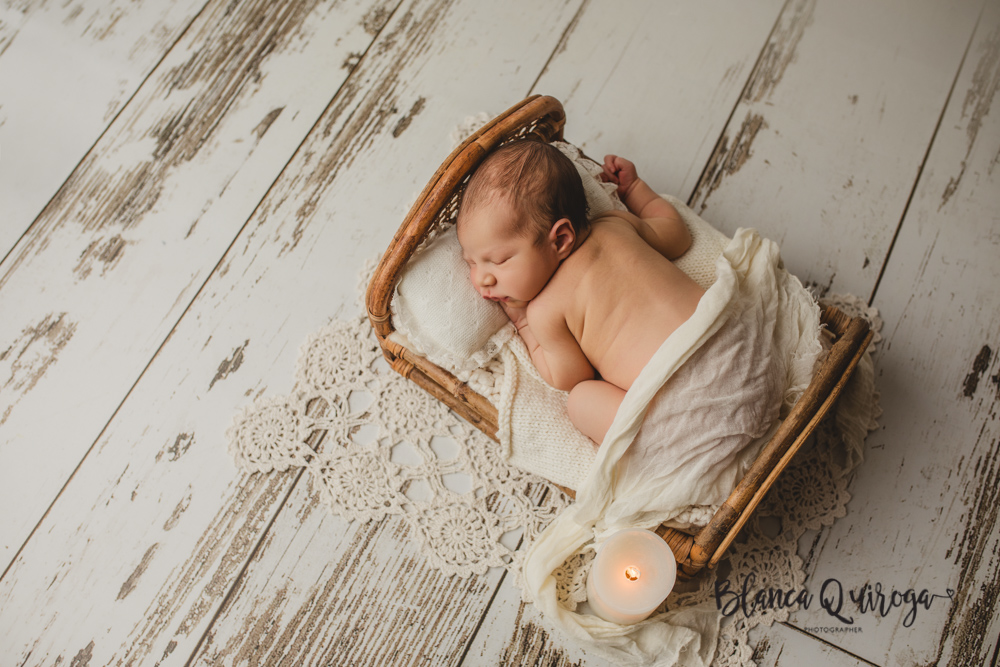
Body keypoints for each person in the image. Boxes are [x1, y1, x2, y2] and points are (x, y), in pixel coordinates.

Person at [456, 140, 705, 445]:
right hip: (738, 352)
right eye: (471, 262)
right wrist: (636, 189)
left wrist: (523, 323)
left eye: (499, 260)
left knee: (581, 399)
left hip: (688, 414)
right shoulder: (617, 225)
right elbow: (676, 235)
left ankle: (657, 448)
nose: (482, 279)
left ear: (560, 239)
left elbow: (568, 377)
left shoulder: (545, 311)